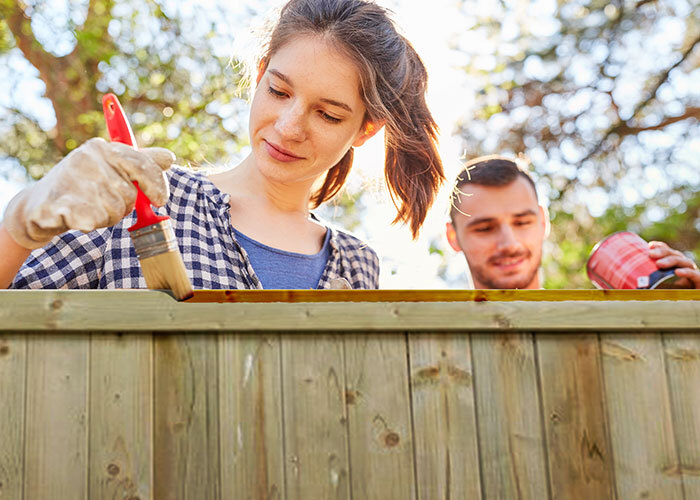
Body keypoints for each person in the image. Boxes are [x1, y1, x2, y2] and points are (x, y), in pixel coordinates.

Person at [0, 0, 444, 290]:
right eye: (279, 91)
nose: (289, 127)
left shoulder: (356, 266)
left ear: (366, 130)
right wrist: (17, 229)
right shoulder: (142, 200)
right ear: (259, 75)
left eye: (328, 114)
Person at [446, 155, 700, 289]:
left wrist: (688, 309)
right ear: (453, 237)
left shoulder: (602, 331)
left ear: (544, 222)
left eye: (522, 223)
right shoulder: (430, 342)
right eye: (485, 228)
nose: (508, 243)